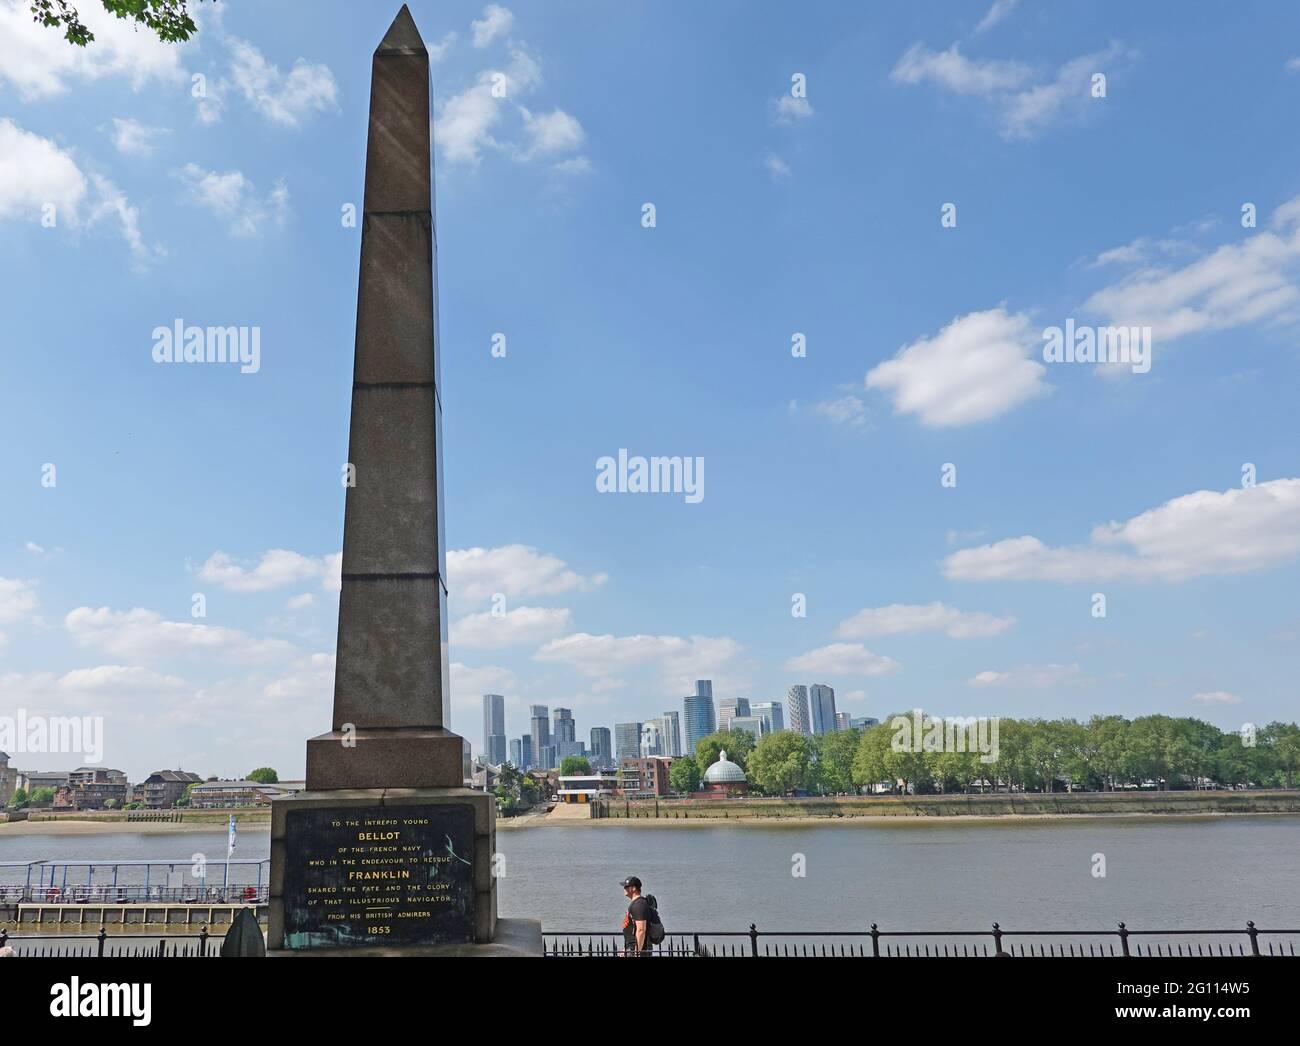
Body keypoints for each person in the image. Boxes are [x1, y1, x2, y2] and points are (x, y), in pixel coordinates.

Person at [619, 876, 653, 956]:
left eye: (626, 886)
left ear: (634, 888)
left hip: (638, 950)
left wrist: (636, 953)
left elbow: (641, 930)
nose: (624, 888)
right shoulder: (637, 903)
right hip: (632, 948)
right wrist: (626, 948)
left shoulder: (639, 905)